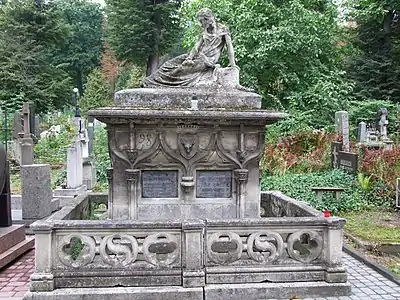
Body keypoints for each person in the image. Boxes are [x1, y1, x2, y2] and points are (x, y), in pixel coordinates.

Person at [143, 8, 238, 88]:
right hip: (197, 55)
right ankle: (151, 79)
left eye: (201, 21)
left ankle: (154, 83)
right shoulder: (203, 31)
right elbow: (196, 47)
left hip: (207, 61)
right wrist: (189, 57)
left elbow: (230, 47)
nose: (201, 24)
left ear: (207, 19)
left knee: (180, 69)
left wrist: (233, 64)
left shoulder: (223, 30)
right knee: (169, 64)